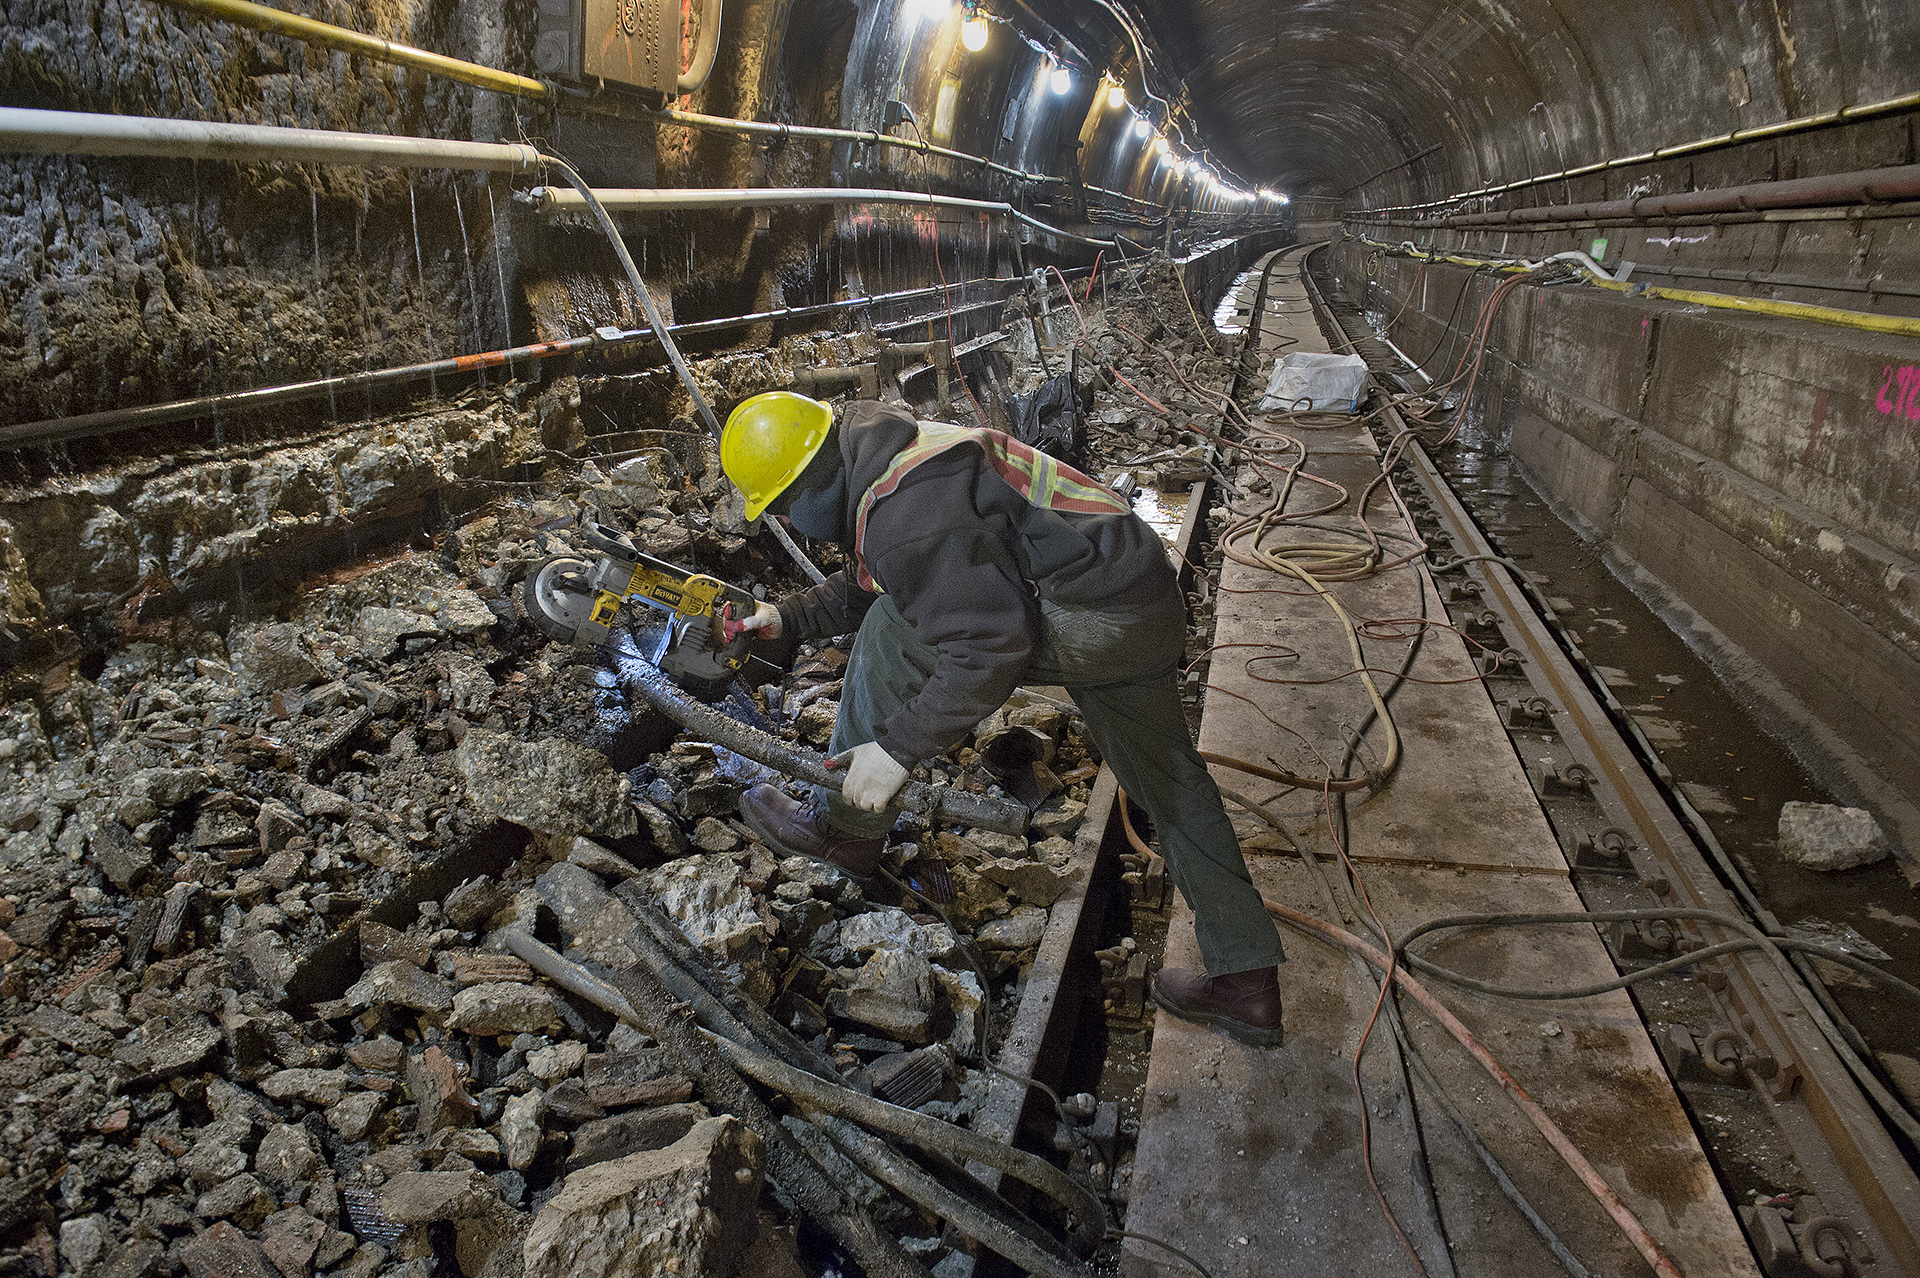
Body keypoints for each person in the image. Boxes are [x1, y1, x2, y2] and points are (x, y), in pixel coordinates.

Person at [720, 390, 1287, 1047]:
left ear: (810, 487)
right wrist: (785, 617)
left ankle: (846, 829)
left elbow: (987, 644)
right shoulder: (889, 453)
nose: (791, 519)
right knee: (1171, 781)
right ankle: (1248, 983)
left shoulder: (908, 515)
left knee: (890, 630)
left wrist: (896, 748)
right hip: (1137, 599)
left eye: (786, 506)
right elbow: (900, 574)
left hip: (1098, 620)